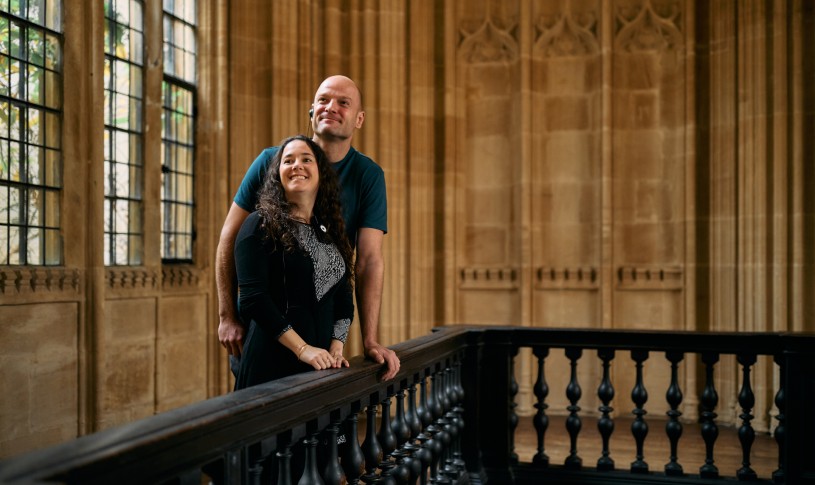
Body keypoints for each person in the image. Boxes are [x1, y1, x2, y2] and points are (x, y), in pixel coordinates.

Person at [217, 75, 400, 381]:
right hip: (264, 334)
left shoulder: (366, 176)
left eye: (344, 102)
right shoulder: (271, 161)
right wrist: (227, 316)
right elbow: (230, 239)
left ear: (359, 119)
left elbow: (367, 261)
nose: (331, 107)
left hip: (320, 341)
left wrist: (366, 339)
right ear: (311, 110)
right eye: (324, 100)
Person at [234, 135, 353, 388]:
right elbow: (253, 298)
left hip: (320, 367)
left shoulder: (329, 232)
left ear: (320, 172)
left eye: (306, 159)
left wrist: (336, 346)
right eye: (288, 160)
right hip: (273, 367)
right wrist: (302, 349)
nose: (297, 165)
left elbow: (343, 299)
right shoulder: (258, 224)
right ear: (278, 175)